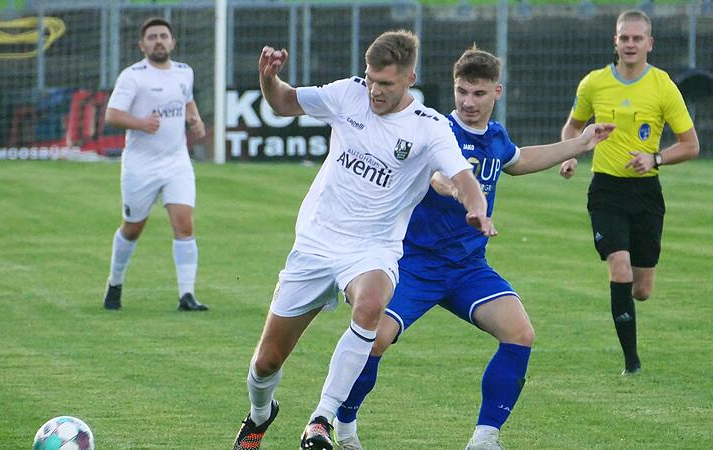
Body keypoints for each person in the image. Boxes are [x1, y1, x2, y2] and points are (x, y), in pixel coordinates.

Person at [333, 47, 615, 450]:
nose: (468, 102)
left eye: (478, 93)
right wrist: (462, 193)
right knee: (375, 339)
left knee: (520, 333)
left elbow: (518, 160)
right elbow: (437, 177)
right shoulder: (435, 131)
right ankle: (343, 425)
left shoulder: (496, 136)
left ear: (496, 92)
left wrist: (580, 144)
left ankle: (485, 438)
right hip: (414, 264)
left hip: (467, 267)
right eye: (462, 91)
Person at [232, 30, 496, 450]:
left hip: (373, 248)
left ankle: (321, 419)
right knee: (267, 362)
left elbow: (463, 178)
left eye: (386, 83)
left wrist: (477, 207)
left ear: (410, 78)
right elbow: (283, 101)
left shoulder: (429, 127)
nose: (374, 90)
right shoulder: (348, 94)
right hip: (316, 243)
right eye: (371, 79)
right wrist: (268, 78)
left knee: (372, 303)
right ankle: (260, 414)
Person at [559, 10, 699, 375]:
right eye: (624, 38)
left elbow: (690, 145)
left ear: (650, 43)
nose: (630, 44)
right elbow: (572, 128)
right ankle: (631, 362)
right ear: (615, 41)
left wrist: (655, 158)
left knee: (641, 289)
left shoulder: (663, 85)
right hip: (606, 190)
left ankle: (630, 318)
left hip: (646, 192)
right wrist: (570, 155)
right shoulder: (594, 83)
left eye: (637, 38)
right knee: (619, 267)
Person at [102, 17, 208, 312]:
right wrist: (140, 123)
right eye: (152, 37)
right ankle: (115, 283)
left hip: (177, 162)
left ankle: (187, 295)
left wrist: (195, 119)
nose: (158, 41)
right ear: (142, 45)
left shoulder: (184, 72)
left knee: (184, 224)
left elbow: (187, 100)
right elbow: (112, 115)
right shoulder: (133, 76)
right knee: (133, 228)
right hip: (140, 166)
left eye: (163, 36)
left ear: (173, 42)